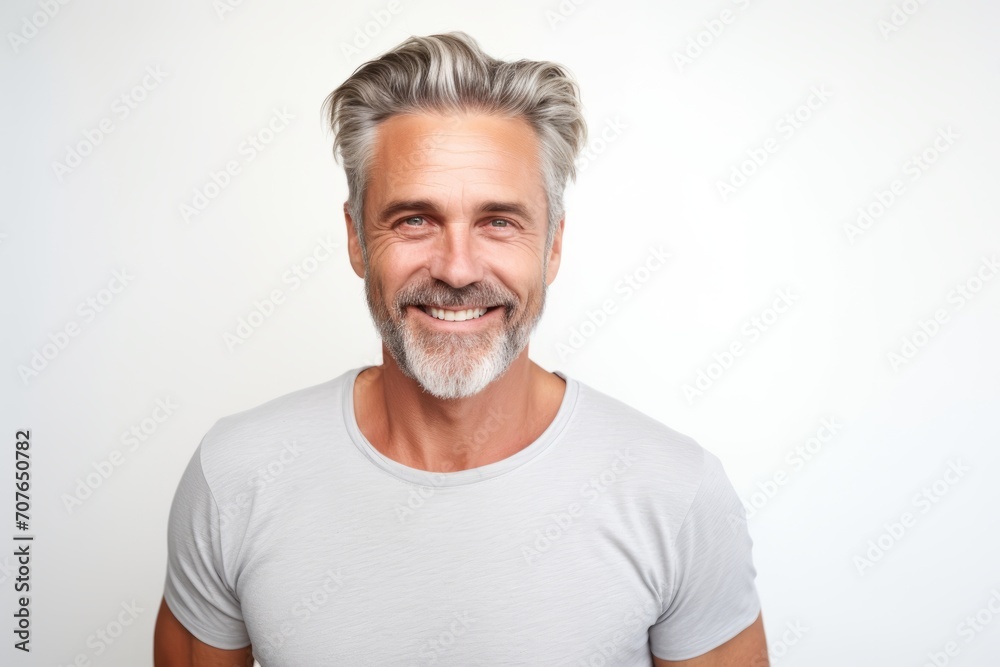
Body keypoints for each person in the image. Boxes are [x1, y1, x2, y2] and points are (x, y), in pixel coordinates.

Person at [153, 31, 768, 666]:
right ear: (358, 240)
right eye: (414, 219)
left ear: (552, 245)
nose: (456, 269)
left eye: (498, 221)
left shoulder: (675, 492)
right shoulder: (235, 478)